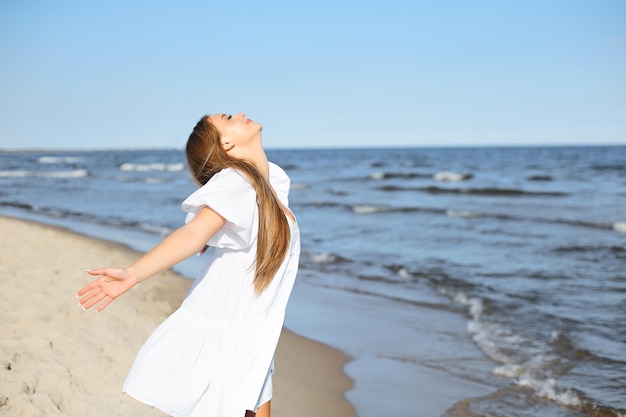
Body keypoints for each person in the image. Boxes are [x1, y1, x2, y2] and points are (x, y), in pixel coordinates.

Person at [77, 113, 300, 417]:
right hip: (226, 325)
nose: (241, 114)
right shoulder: (237, 181)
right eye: (229, 118)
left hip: (253, 328)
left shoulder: (269, 183)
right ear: (226, 143)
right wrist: (132, 274)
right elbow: (195, 232)